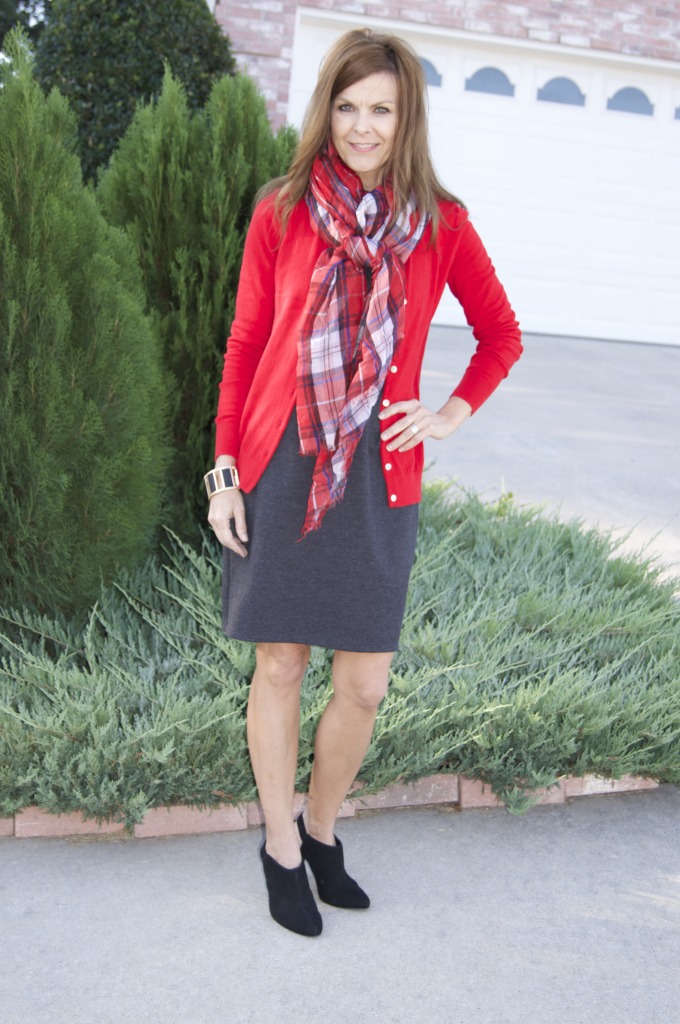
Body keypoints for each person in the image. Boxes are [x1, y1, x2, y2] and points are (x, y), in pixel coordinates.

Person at [206, 27, 522, 937]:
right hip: (279, 463)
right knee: (279, 662)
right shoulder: (284, 210)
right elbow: (244, 346)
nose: (362, 125)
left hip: (379, 477)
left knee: (364, 686)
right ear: (326, 111)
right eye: (347, 106)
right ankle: (277, 847)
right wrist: (224, 471)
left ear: (406, 115)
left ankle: (322, 829)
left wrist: (449, 412)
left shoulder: (442, 223)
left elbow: (501, 335)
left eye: (381, 108)